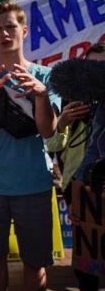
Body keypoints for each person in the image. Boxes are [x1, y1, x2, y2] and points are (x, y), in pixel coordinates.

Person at [0, 0, 59, 291]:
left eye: (10, 26)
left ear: (24, 30)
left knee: (35, 263)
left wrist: (41, 95)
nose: (5, 33)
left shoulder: (46, 76)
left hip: (34, 185)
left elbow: (48, 130)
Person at [68, 42, 105, 291]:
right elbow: (91, 152)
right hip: (90, 193)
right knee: (87, 271)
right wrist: (77, 196)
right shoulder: (83, 102)